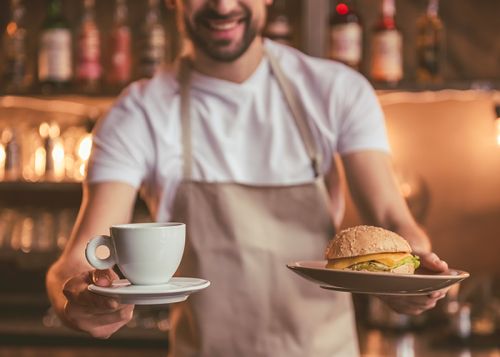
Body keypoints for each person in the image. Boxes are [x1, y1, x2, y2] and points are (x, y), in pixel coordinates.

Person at [46, 0, 449, 356]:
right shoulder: (139, 112)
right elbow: (77, 260)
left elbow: (394, 222)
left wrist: (414, 280)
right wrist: (77, 304)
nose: (223, 5)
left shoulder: (337, 91)